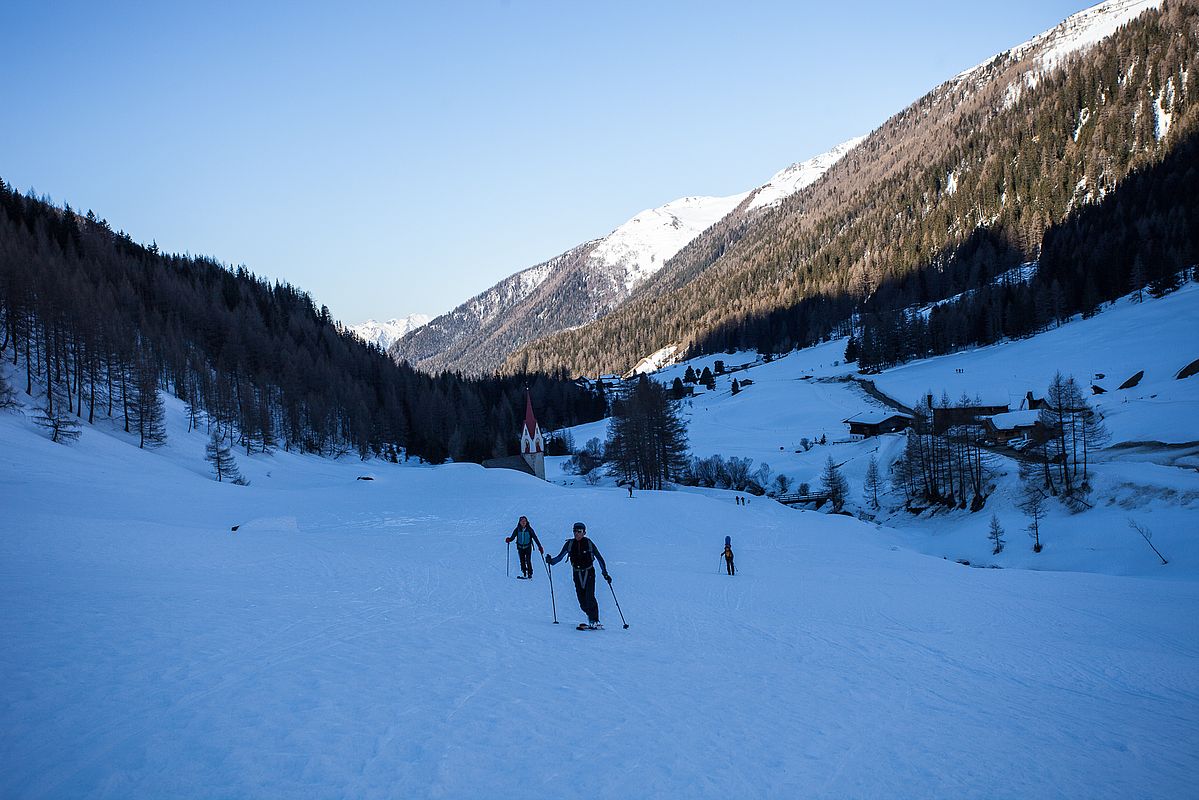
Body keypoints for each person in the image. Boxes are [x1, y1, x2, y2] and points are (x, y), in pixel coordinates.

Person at [546, 521, 610, 629]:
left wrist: (605, 573)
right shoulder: (569, 544)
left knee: (590, 597)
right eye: (574, 531)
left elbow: (599, 558)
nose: (576, 533)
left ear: (584, 532)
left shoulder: (589, 543)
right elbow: (560, 557)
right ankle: (591, 618)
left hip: (589, 572)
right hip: (576, 573)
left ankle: (595, 620)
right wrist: (551, 561)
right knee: (582, 602)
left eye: (579, 531)